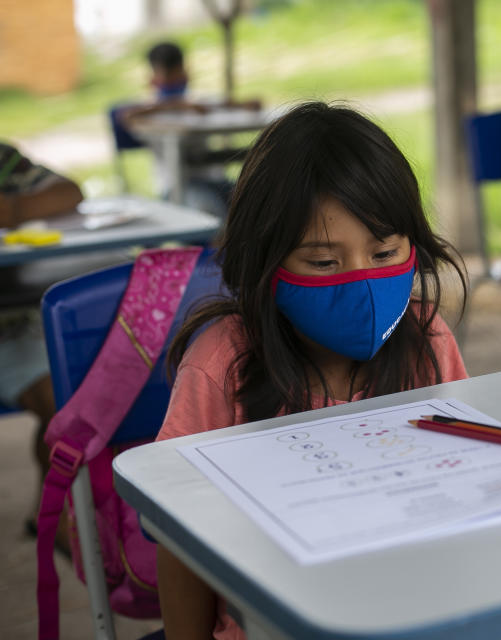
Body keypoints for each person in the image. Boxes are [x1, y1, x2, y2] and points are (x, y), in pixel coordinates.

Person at [154, 102, 469, 639]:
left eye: (385, 251)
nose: (362, 282)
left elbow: (465, 479)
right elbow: (178, 536)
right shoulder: (222, 366)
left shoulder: (427, 339)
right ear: (264, 258)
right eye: (324, 262)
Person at [0, 142, 82, 543]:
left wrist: (12, 211)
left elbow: (69, 191)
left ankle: (52, 511)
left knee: (71, 403)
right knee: (61, 403)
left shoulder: (3, 158)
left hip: (15, 323)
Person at [118, 41, 260, 219]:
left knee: (256, 204)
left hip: (215, 181)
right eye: (168, 74)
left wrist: (244, 104)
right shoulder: (148, 111)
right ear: (153, 77)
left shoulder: (197, 102)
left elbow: (238, 105)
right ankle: (216, 245)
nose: (175, 79)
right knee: (208, 213)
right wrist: (176, 105)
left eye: (178, 72)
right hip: (177, 187)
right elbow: (125, 116)